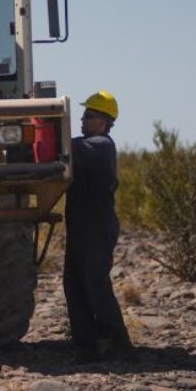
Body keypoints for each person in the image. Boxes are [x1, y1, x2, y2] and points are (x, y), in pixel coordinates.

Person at [63, 90, 135, 363]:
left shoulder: (101, 145)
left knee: (95, 283)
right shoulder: (89, 144)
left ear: (103, 122)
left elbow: (67, 147)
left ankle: (119, 343)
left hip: (96, 227)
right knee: (73, 283)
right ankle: (87, 345)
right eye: (83, 115)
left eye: (89, 116)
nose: (82, 120)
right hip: (81, 226)